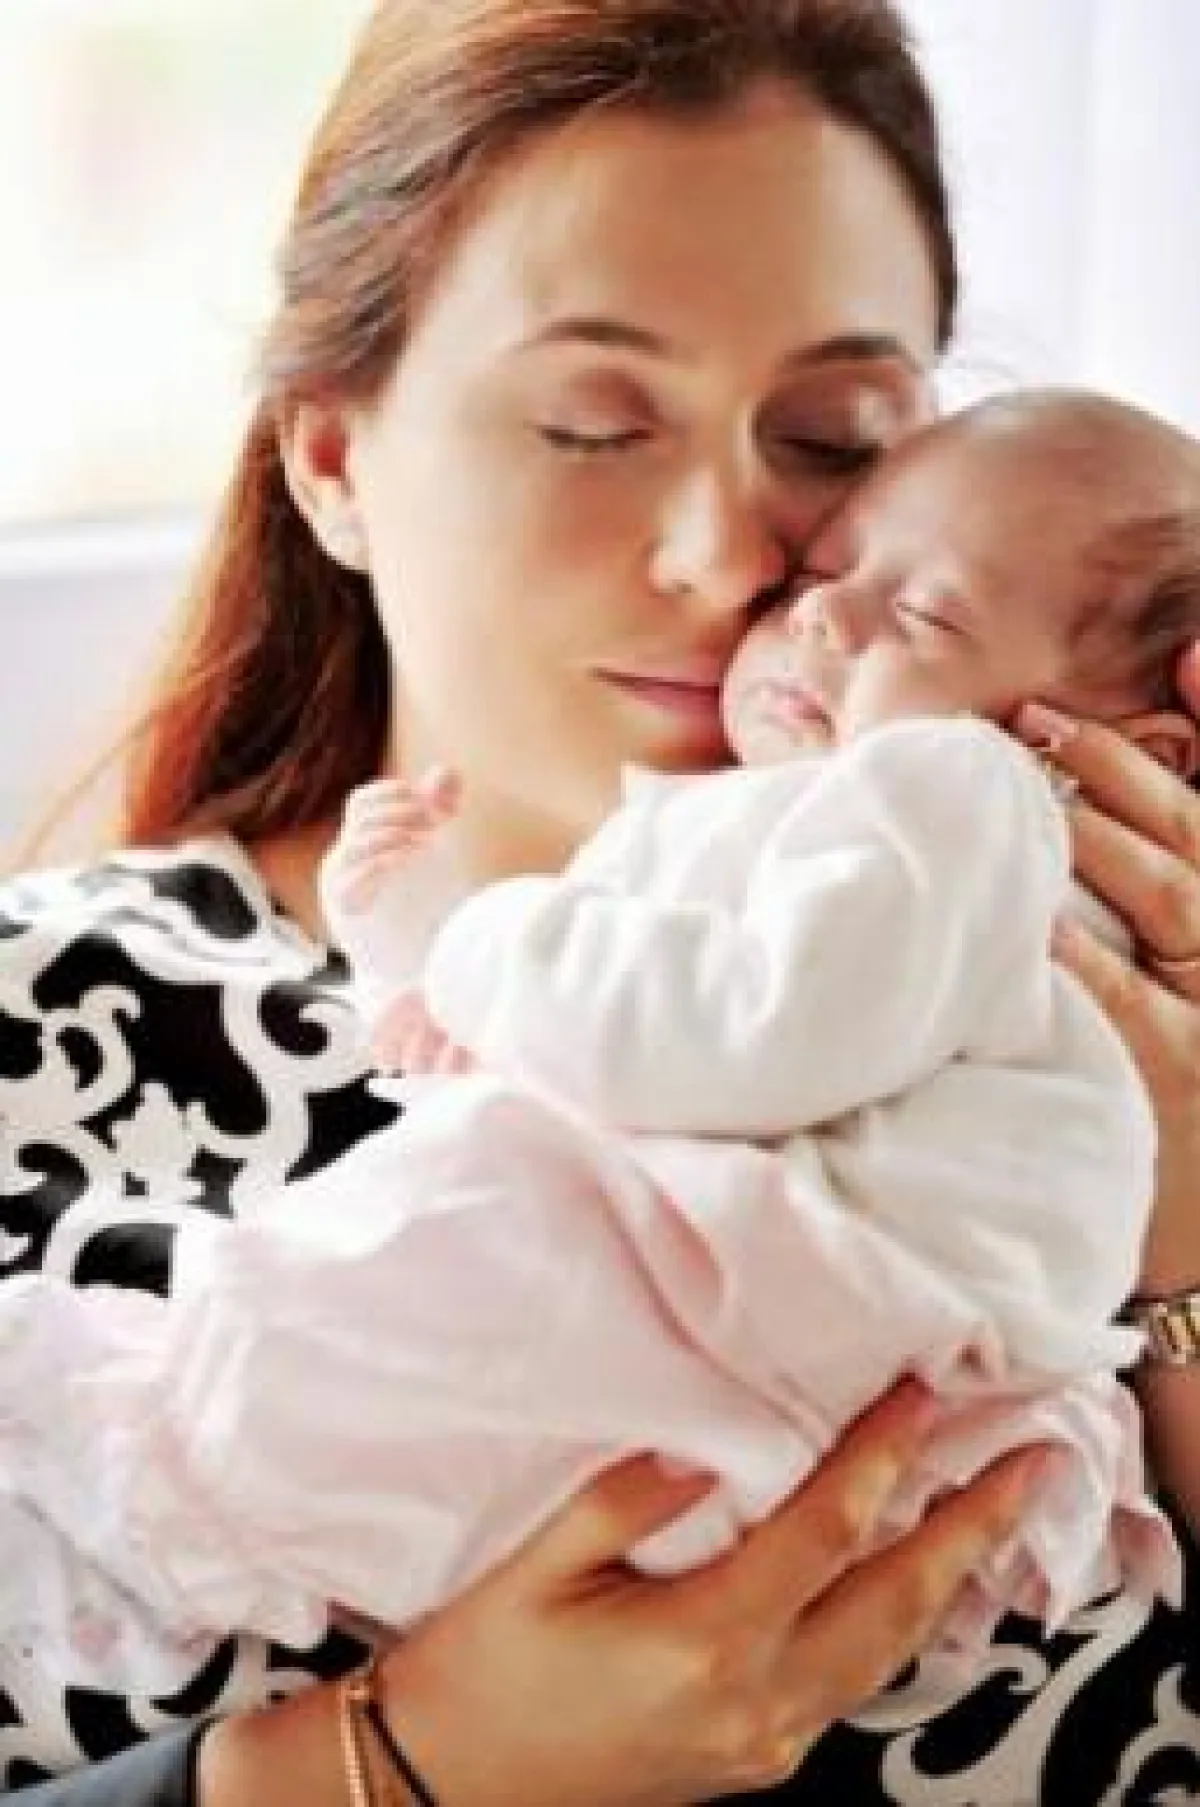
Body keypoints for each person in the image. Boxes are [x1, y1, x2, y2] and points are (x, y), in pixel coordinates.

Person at [1, 0, 1197, 1801]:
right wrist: (384, 1765)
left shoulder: (1055, 1044)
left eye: (834, 438)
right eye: (592, 423)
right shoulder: (52, 1029)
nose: (731, 559)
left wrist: (1183, 1260)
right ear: (329, 457)